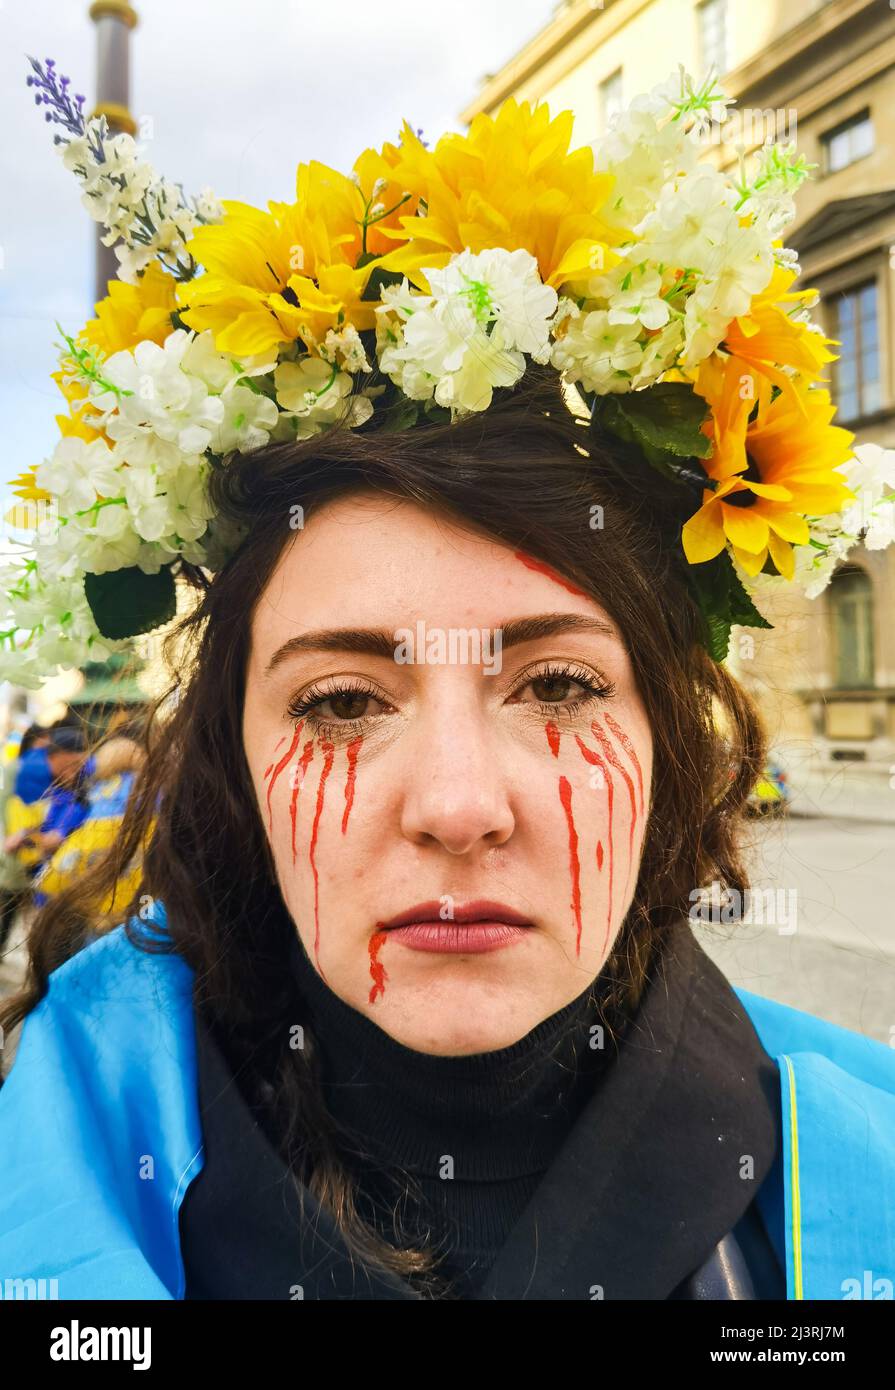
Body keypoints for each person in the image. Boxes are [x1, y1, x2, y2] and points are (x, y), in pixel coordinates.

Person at [0, 65, 893, 1302]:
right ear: (232, 760)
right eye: (343, 701)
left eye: (559, 684)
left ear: (675, 740)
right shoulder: (50, 1152)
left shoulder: (863, 1170)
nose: (460, 806)